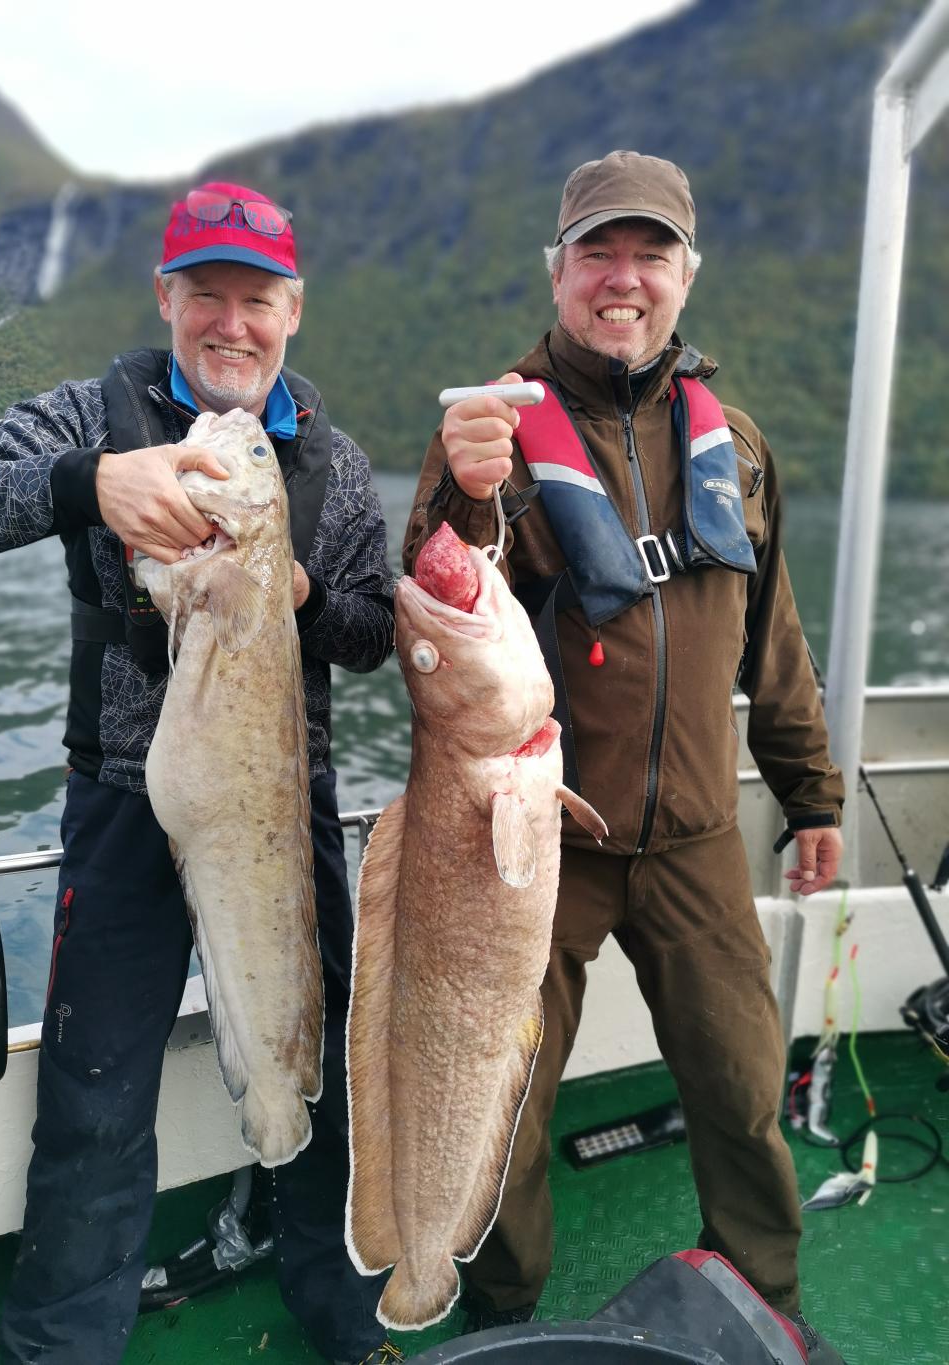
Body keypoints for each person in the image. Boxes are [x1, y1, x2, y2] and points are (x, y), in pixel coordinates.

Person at [0, 181, 401, 1365]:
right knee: (94, 1090)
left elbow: (372, 632)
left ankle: (347, 1312)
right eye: (206, 295)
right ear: (165, 298)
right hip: (123, 801)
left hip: (281, 805)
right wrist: (88, 482)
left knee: (320, 1056)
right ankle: (61, 1343)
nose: (231, 324)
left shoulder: (334, 467)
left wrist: (300, 593)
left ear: (292, 311)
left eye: (257, 300)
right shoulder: (94, 415)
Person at [404, 150, 847, 1364]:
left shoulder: (735, 445)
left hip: (698, 837)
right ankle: (501, 1314)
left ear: (685, 275)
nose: (622, 278)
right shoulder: (489, 428)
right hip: (538, 840)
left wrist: (811, 797)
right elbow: (435, 611)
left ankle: (763, 1306)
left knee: (742, 1096)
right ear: (556, 271)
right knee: (504, 1109)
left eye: (649, 254)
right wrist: (464, 493)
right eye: (597, 251)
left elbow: (774, 643)